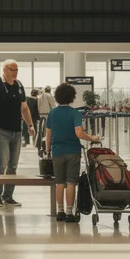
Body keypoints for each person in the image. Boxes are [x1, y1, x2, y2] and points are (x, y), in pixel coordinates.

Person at [45, 82, 101, 223]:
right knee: (71, 182)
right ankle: (69, 213)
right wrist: (92, 138)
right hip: (73, 151)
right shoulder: (75, 113)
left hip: (57, 151)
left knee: (59, 183)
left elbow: (48, 134)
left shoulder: (52, 113)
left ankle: (60, 212)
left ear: (57, 97)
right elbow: (79, 133)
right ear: (72, 97)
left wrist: (47, 150)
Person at [0, 60, 34, 208]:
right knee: (2, 162)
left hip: (16, 131)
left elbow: (24, 108)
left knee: (13, 165)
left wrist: (30, 124)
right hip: (1, 131)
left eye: (17, 70)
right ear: (4, 70)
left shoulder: (19, 86)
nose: (15, 73)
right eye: (12, 69)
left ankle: (8, 196)